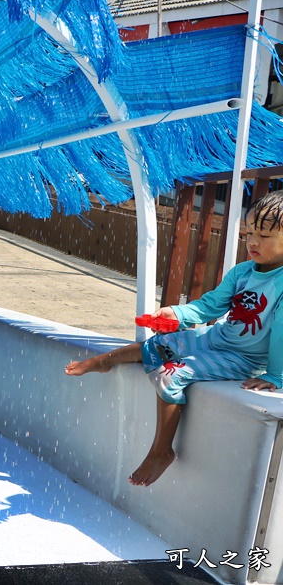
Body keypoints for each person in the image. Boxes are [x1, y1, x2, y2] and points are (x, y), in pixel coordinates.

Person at [65, 190, 283, 487]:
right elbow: (210, 306)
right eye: (249, 232)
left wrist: (276, 375)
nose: (253, 241)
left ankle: (161, 450)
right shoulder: (242, 272)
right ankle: (105, 361)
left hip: (244, 359)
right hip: (217, 336)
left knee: (170, 374)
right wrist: (177, 315)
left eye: (265, 235)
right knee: (159, 344)